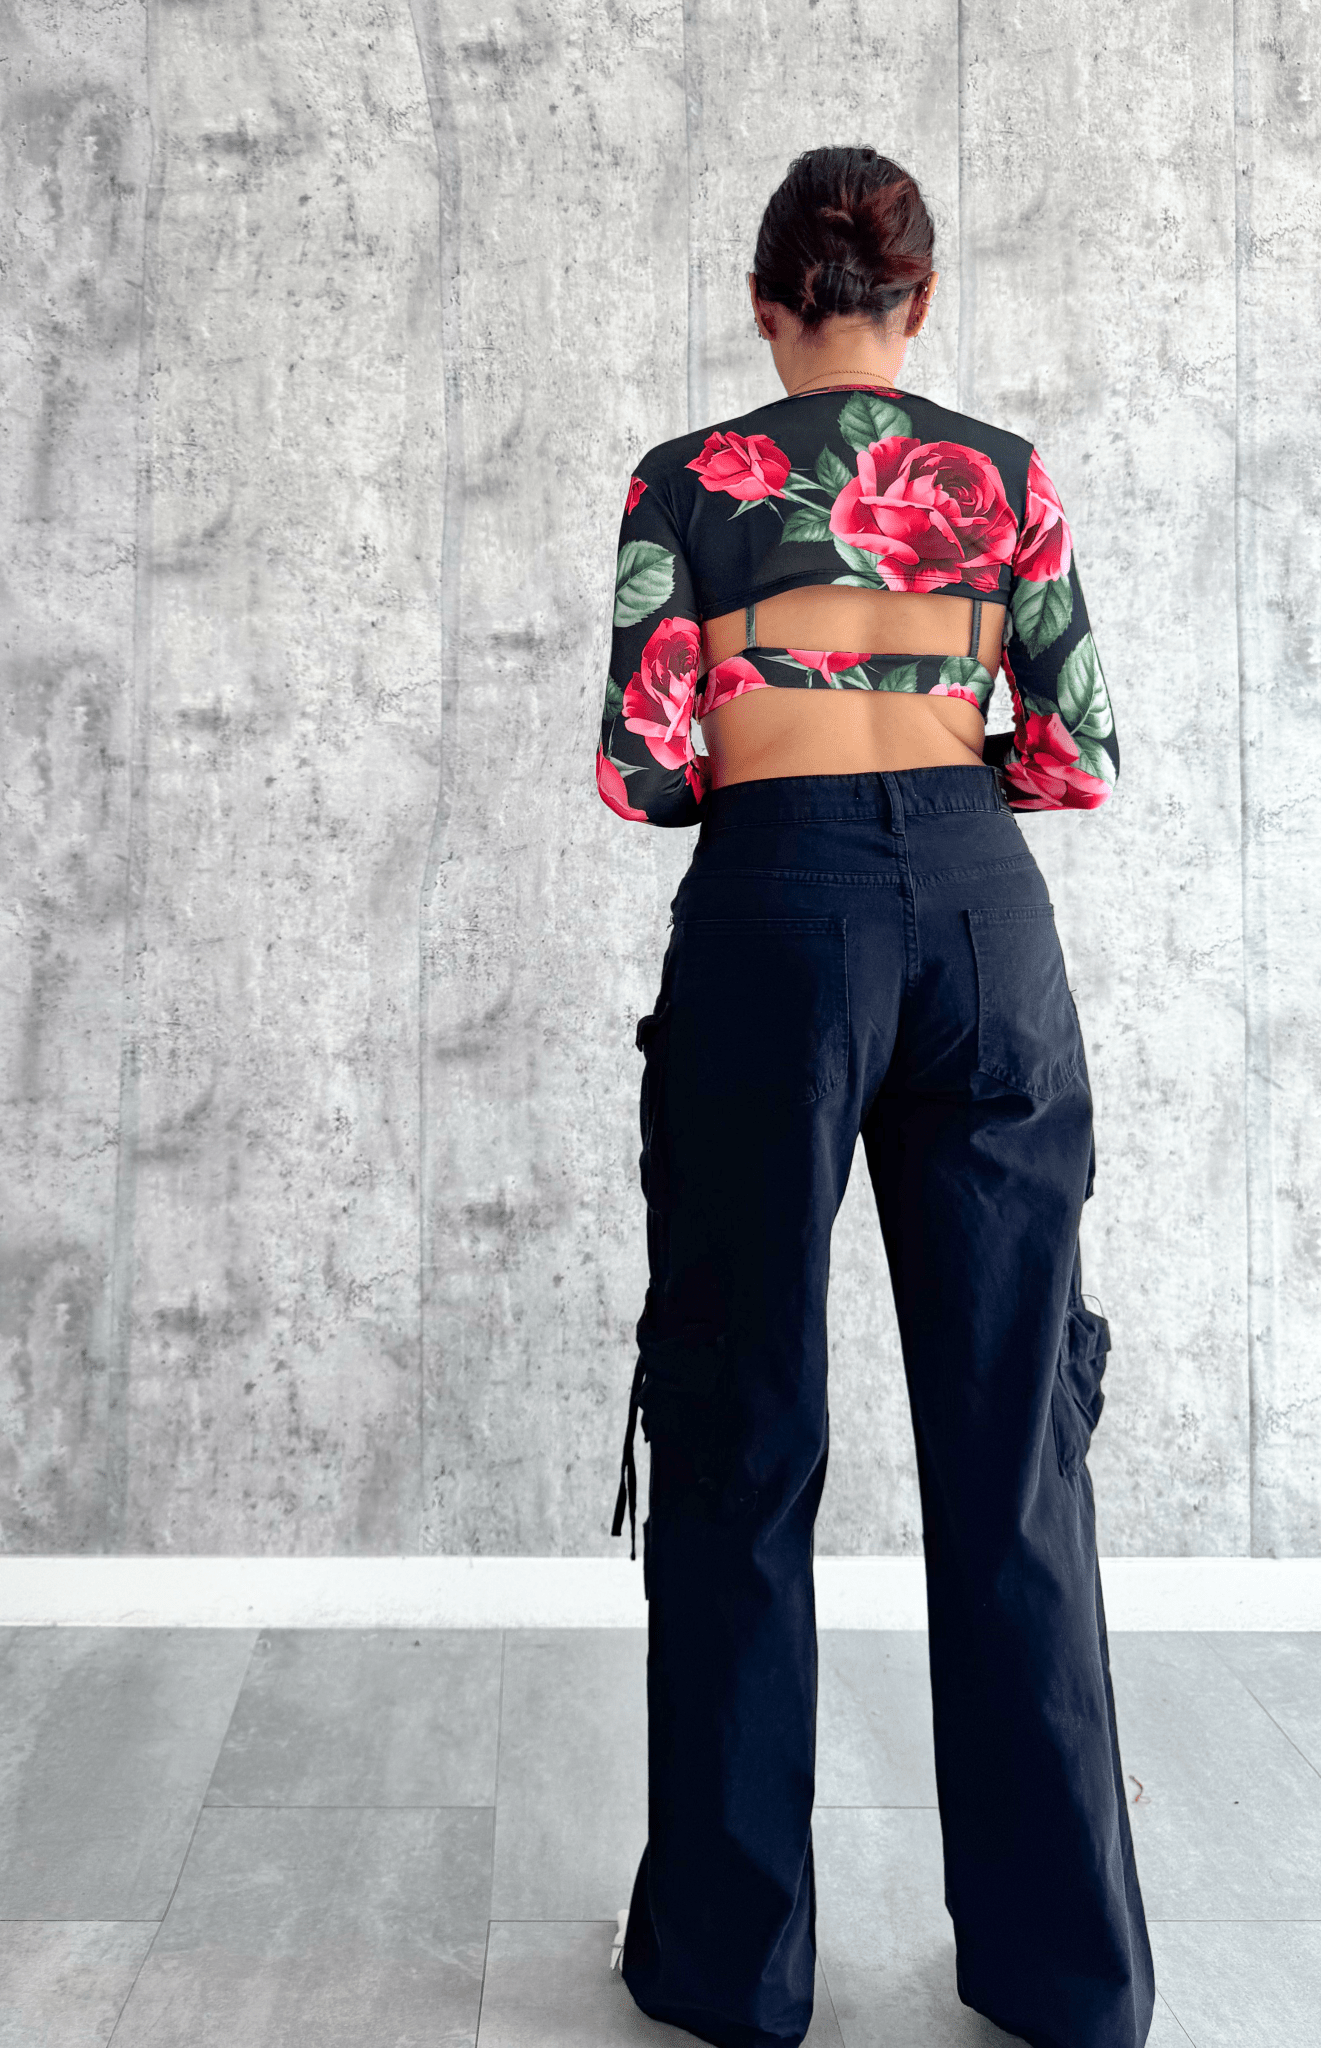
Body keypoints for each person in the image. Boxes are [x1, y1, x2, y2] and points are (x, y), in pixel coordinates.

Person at [597, 146, 1155, 2048]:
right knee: (1013, 1447)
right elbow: (1077, 753)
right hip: (982, 921)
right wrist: (935, 775)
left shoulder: (687, 480)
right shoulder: (1001, 475)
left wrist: (788, 774)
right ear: (919, 306)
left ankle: (731, 1970)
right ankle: (1069, 1980)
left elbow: (642, 768)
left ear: (767, 305)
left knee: (743, 1429)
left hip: (777, 910)